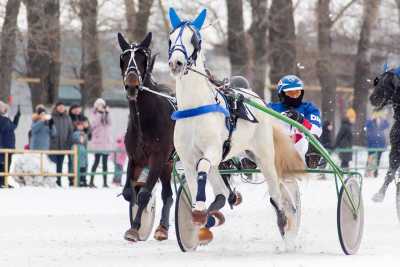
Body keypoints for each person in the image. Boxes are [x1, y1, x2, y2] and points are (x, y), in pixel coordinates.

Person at [268, 75, 322, 168]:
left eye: (297, 93)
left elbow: (317, 131)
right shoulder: (271, 108)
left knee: (311, 138)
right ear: (282, 94)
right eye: (290, 93)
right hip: (277, 148)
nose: (294, 97)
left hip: (300, 147)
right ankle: (251, 160)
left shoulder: (309, 108)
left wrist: (301, 120)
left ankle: (311, 158)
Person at [50, 101, 74, 187]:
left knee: (60, 164)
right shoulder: (51, 117)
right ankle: (52, 180)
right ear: (56, 108)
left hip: (63, 145)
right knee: (52, 164)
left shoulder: (67, 118)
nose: (61, 108)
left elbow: (70, 131)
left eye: (62, 107)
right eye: (59, 106)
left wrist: (68, 142)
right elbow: (49, 130)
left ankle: (59, 180)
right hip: (53, 145)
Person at [89, 98, 112, 188]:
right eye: (99, 105)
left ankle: (105, 182)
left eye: (102, 105)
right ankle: (91, 181)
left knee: (105, 163)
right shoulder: (94, 114)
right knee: (96, 161)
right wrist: (99, 113)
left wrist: (107, 113)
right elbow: (94, 124)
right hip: (98, 142)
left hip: (106, 142)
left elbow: (110, 123)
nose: (101, 106)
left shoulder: (106, 114)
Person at [0, 101, 21, 188]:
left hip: (9, 146)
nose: (6, 109)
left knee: (7, 166)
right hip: (2, 146)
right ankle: (1, 182)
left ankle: (4, 182)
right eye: (4, 108)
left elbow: (13, 126)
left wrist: (17, 116)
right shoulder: (3, 119)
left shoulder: (5, 118)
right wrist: (5, 117)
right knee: (2, 165)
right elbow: (4, 127)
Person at [365, 111, 389, 177]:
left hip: (380, 144)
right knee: (370, 158)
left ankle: (375, 172)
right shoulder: (370, 122)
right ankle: (368, 172)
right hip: (372, 144)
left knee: (378, 159)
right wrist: (371, 118)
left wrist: (384, 118)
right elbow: (366, 125)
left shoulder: (381, 122)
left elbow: (386, 125)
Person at [72, 121, 89, 187]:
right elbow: (80, 141)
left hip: (83, 151)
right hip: (78, 151)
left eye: (81, 126)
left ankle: (83, 179)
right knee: (79, 166)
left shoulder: (84, 133)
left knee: (85, 166)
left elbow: (85, 142)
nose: (81, 127)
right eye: (79, 125)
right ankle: (79, 180)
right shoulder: (76, 133)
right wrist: (81, 136)